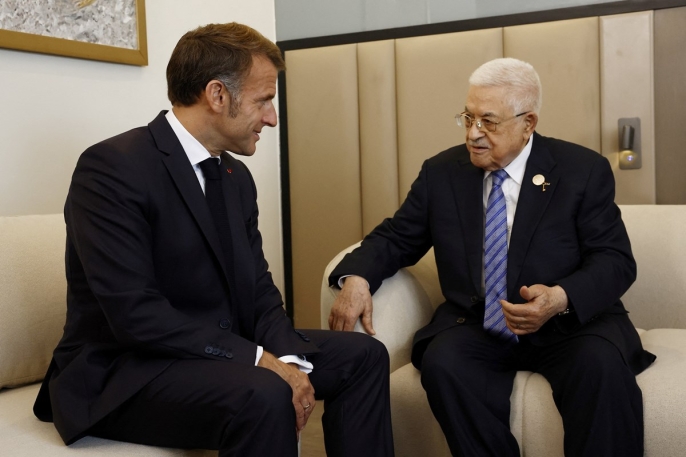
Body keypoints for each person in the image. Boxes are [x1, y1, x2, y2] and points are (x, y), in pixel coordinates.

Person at [33, 22, 394, 457]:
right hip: (126, 369)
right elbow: (135, 314)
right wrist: (258, 359)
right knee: (264, 390)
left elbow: (258, 290)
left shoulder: (235, 177)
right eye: (264, 100)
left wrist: (287, 359)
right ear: (218, 95)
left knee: (364, 356)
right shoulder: (112, 168)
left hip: (211, 352)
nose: (272, 118)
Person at [328, 57, 655, 457]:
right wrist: (357, 278)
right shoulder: (442, 173)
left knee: (601, 367)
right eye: (468, 118)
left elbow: (615, 259)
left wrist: (560, 297)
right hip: (479, 320)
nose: (473, 134)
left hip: (568, 323)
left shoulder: (581, 170)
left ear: (528, 123)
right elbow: (397, 236)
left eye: (489, 122)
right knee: (444, 363)